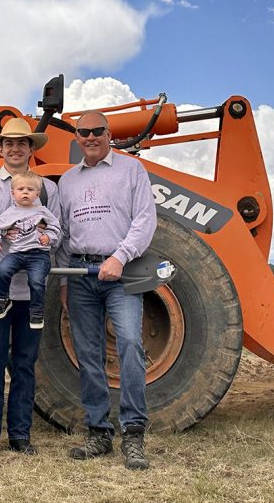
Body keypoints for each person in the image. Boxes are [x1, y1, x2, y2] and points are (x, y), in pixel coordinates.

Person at [58, 110, 157, 470]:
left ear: (109, 132)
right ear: (77, 138)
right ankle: (99, 432)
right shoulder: (67, 181)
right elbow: (63, 236)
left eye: (97, 130)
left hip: (122, 274)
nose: (90, 137)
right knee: (88, 354)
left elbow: (145, 220)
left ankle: (133, 433)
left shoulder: (132, 171)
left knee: (130, 342)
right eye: (83, 132)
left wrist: (120, 256)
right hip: (81, 274)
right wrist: (66, 281)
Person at [0, 117, 61, 460]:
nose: (16, 148)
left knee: (25, 363)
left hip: (32, 292)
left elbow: (59, 233)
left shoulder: (49, 189)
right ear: (0, 148)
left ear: (31, 148)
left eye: (23, 143)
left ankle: (20, 433)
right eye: (9, 143)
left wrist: (46, 238)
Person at [0, 170, 61, 328]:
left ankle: (37, 310)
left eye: (30, 189)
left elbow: (56, 228)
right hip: (16, 254)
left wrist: (49, 236)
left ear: (37, 194)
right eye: (21, 189)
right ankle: (2, 299)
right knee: (2, 270)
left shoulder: (42, 211)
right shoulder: (9, 214)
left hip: (38, 255)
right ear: (13, 193)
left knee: (36, 280)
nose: (25, 192)